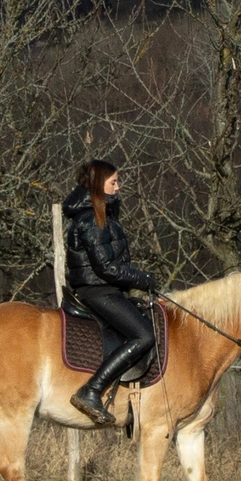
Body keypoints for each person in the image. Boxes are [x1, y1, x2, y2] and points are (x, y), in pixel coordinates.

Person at [63, 160, 157, 427]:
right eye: (113, 182)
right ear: (97, 185)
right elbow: (106, 267)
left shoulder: (101, 213)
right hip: (98, 290)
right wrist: (143, 279)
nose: (118, 186)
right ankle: (91, 390)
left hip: (106, 289)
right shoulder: (92, 218)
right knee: (144, 335)